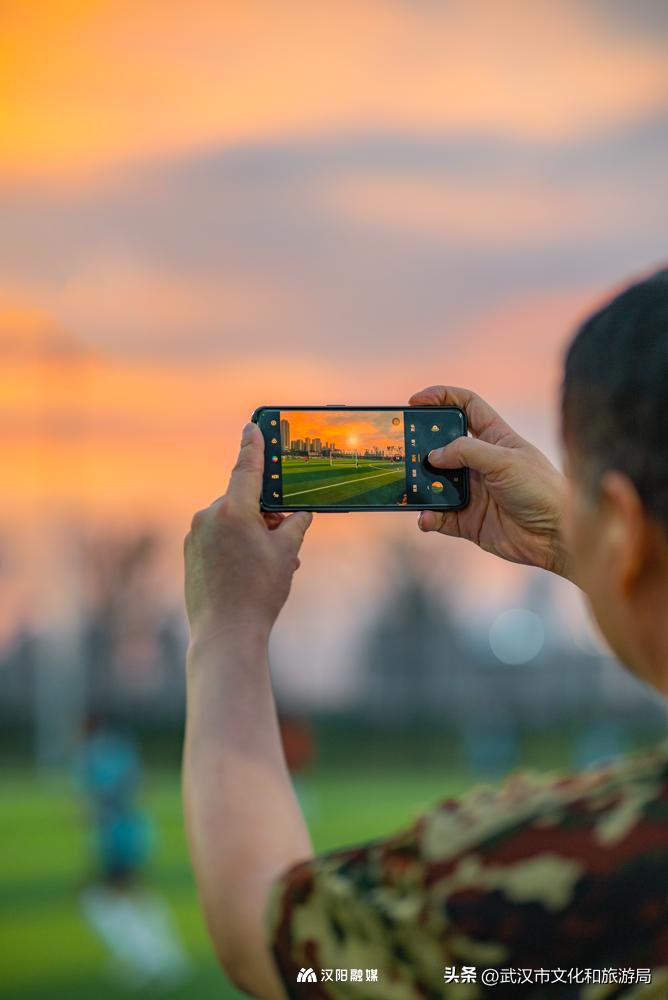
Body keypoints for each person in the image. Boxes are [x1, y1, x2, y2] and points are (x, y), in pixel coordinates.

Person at [183, 268, 668, 999]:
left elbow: (270, 935)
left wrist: (228, 630)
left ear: (625, 527)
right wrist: (583, 542)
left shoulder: (574, 866)